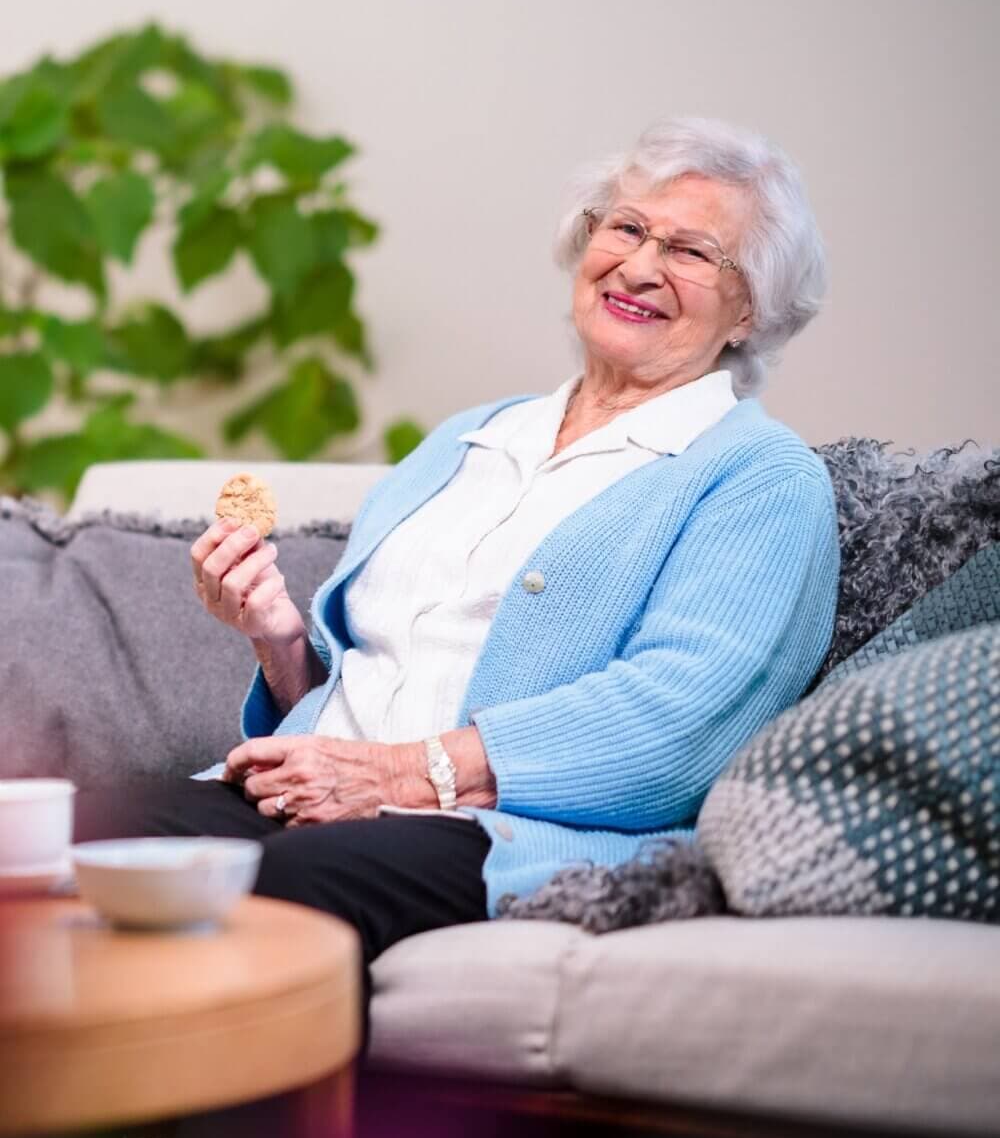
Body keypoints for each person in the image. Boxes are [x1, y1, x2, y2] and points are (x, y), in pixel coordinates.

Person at [76, 114, 839, 1020]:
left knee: (285, 894)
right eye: (627, 228)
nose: (639, 265)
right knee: (77, 846)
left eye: (691, 251)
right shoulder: (468, 439)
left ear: (748, 308)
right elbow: (374, 681)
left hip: (497, 832)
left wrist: (398, 776)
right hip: (322, 805)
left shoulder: (761, 477)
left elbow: (682, 724)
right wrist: (278, 635)